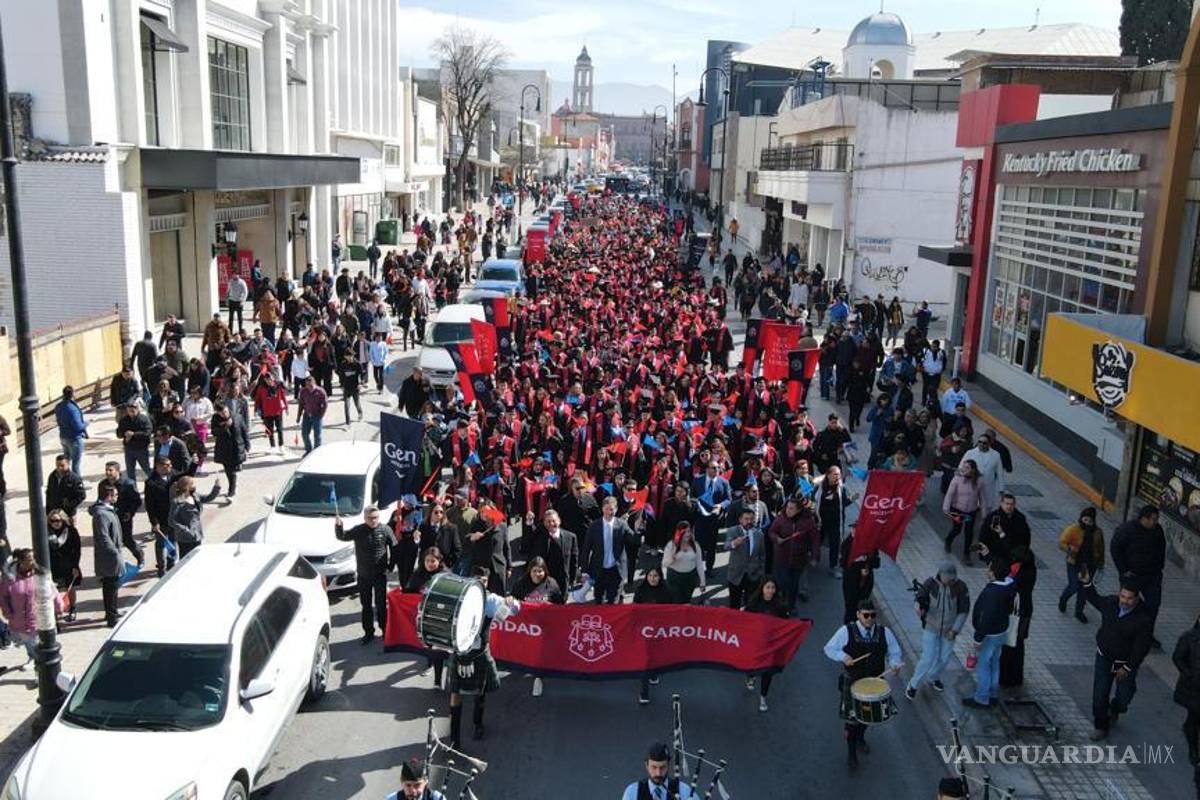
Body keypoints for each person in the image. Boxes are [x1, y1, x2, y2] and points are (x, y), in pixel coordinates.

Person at [823, 599, 903, 767]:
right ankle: (851, 753)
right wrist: (843, 657)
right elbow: (829, 648)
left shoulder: (884, 632)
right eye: (865, 615)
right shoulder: (846, 631)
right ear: (858, 615)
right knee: (852, 721)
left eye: (872, 615)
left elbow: (894, 652)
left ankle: (860, 738)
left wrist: (895, 664)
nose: (869, 619)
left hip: (875, 683)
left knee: (868, 717)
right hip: (853, 682)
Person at [446, 569, 521, 749]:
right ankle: (454, 739)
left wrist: (512, 602)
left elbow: (515, 610)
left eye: (484, 580)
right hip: (460, 651)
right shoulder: (459, 596)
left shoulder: (490, 599)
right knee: (456, 693)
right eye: (477, 579)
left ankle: (477, 724)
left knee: (480, 690)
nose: (481, 583)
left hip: (479, 651)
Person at [1078, 564, 1153, 740]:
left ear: (1137, 599)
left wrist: (1127, 667)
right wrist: (1087, 583)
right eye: (1122, 596)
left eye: (1129, 598)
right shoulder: (1111, 603)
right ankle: (1100, 725)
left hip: (1124, 662)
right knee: (1100, 693)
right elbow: (1095, 599)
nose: (1124, 601)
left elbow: (1141, 648)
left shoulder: (1143, 619)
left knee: (1124, 695)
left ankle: (1117, 708)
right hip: (1104, 656)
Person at [906, 561, 969, 699]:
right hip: (930, 627)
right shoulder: (930, 584)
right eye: (949, 577)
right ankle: (913, 684)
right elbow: (919, 598)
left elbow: (964, 611)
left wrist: (955, 630)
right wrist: (918, 607)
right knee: (927, 658)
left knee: (944, 658)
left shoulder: (961, 588)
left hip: (949, 629)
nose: (952, 580)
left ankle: (933, 676)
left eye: (953, 577)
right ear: (941, 574)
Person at [963, 559, 1017, 710]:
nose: (987, 570)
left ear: (994, 573)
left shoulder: (992, 592)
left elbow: (986, 616)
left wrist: (978, 637)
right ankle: (993, 694)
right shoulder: (1010, 586)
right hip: (1002, 631)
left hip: (989, 635)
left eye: (989, 568)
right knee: (995, 663)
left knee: (983, 665)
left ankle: (981, 698)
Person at [1110, 504, 1166, 649]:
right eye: (1153, 519)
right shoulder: (1127, 530)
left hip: (1152, 576)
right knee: (1126, 603)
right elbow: (1115, 548)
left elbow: (1161, 549)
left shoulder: (1157, 530)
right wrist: (1123, 570)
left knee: (1153, 605)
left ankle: (1146, 635)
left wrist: (1159, 568)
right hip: (1132, 576)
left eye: (1156, 519)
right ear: (1144, 519)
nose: (1155, 522)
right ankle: (1122, 632)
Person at [335, 504, 391, 645]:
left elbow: (395, 547)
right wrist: (338, 526)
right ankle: (368, 632)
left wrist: (392, 565)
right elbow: (342, 536)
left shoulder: (385, 529)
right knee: (366, 605)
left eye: (376, 517)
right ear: (365, 518)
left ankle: (385, 630)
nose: (373, 520)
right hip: (364, 575)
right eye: (370, 518)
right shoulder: (358, 530)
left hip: (380, 575)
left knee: (381, 605)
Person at [405, 547, 449, 689]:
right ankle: (429, 666)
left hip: (440, 618)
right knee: (428, 645)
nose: (430, 563)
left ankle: (438, 679)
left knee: (438, 649)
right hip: (424, 618)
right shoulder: (418, 574)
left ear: (439, 561)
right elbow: (409, 592)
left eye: (433, 561)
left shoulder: (446, 576)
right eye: (427, 561)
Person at [745, 577, 790, 711]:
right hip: (756, 644)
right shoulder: (753, 604)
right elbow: (744, 620)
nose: (770, 591)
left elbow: (786, 624)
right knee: (753, 665)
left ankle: (763, 697)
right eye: (768, 587)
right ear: (762, 589)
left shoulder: (780, 605)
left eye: (773, 588)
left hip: (771, 645)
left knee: (768, 672)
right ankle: (750, 676)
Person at [582, 495, 636, 604]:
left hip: (616, 570)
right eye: (606, 509)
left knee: (613, 602)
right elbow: (586, 549)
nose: (609, 512)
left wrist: (638, 530)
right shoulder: (594, 526)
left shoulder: (622, 525)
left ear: (616, 510)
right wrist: (584, 570)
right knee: (598, 600)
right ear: (602, 509)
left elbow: (634, 541)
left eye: (611, 509)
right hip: (599, 569)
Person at [90, 483, 130, 627]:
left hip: (113, 554)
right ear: (109, 496)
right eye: (115, 495)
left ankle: (112, 612)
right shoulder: (101, 514)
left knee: (113, 586)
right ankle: (111, 616)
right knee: (110, 587)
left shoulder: (108, 511)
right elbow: (104, 536)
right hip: (109, 558)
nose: (117, 497)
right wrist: (114, 552)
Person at [769, 496, 819, 607]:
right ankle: (779, 604)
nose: (788, 510)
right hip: (782, 558)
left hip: (799, 560)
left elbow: (815, 540)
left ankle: (791, 605)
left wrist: (815, 556)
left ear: (799, 510)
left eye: (791, 508)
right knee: (781, 583)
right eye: (787, 508)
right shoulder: (781, 519)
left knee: (794, 584)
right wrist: (776, 539)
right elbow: (772, 531)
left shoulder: (808, 522)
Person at [1058, 507, 1105, 623]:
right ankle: (1063, 599)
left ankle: (1079, 612)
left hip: (1089, 564)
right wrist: (1070, 548)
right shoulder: (1073, 529)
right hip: (1075, 562)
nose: (1087, 523)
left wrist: (1100, 564)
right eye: (1085, 519)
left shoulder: (1098, 532)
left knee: (1084, 589)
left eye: (1090, 520)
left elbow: (1101, 548)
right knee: (1074, 585)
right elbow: (1061, 542)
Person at [634, 566, 673, 704]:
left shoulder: (666, 592)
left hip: (659, 631)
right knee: (644, 660)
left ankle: (654, 673)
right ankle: (644, 693)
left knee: (654, 656)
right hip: (644, 631)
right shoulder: (640, 590)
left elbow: (671, 612)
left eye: (655, 576)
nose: (652, 578)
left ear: (660, 577)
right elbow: (634, 609)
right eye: (650, 575)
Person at [0, 549, 39, 670]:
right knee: (28, 642)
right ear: (21, 562)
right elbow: (3, 596)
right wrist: (7, 613)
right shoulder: (9, 577)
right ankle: (33, 659)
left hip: (36, 618)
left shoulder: (39, 572)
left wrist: (58, 605)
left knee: (37, 645)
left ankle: (40, 673)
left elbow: (49, 589)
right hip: (18, 619)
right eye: (29, 560)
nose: (32, 562)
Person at [167, 476, 220, 562]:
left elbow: (208, 498)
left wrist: (216, 487)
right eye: (193, 484)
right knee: (186, 560)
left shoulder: (195, 495)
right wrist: (185, 530)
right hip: (185, 538)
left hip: (197, 534)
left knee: (197, 557)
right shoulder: (177, 502)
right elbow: (171, 521)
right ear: (187, 487)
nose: (195, 486)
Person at [525, 508, 579, 593]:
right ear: (544, 523)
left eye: (554, 521)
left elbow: (574, 561)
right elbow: (527, 542)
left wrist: (572, 579)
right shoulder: (540, 536)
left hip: (562, 583)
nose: (551, 524)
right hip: (543, 582)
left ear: (559, 521)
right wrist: (529, 522)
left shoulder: (570, 537)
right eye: (548, 521)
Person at [815, 465, 855, 575]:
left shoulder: (842, 489)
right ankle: (813, 558)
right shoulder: (819, 487)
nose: (838, 477)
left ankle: (833, 566)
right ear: (828, 475)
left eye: (839, 475)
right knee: (816, 541)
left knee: (835, 544)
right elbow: (813, 501)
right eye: (835, 474)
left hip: (835, 522)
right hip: (821, 521)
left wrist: (851, 500)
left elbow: (844, 503)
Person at [620, 742, 696, 800]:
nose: (658, 773)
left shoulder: (684, 791)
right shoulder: (632, 792)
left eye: (662, 767)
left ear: (668, 764)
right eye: (654, 767)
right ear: (646, 765)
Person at [942, 460, 983, 564]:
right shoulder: (957, 479)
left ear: (973, 470)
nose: (964, 469)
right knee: (957, 529)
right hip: (958, 510)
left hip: (971, 511)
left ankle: (966, 554)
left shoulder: (979, 481)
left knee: (969, 532)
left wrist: (984, 512)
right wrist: (946, 507)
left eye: (967, 468)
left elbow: (983, 498)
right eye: (964, 467)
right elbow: (950, 494)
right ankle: (948, 540)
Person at [724, 507, 765, 609]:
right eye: (746, 519)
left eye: (751, 519)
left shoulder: (759, 534)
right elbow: (726, 546)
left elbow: (762, 555)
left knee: (751, 604)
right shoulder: (733, 531)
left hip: (753, 575)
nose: (749, 521)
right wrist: (734, 543)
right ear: (740, 520)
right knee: (734, 604)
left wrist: (760, 573)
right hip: (736, 575)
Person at [1173, 615, 1200, 766]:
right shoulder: (1189, 638)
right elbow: (1178, 657)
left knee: (1194, 718)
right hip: (1193, 688)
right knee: (1194, 717)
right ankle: (1193, 748)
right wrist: (1189, 675)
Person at [47, 510, 82, 623]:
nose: (55, 523)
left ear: (63, 520)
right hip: (53, 565)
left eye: (57, 520)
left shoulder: (71, 532)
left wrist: (75, 566)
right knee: (53, 590)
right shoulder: (46, 533)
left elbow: (77, 550)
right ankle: (55, 613)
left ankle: (72, 608)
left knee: (70, 588)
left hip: (68, 564)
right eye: (52, 521)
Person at [660, 521, 705, 604]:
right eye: (684, 532)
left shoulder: (695, 545)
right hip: (675, 578)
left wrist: (702, 581)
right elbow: (664, 564)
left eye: (689, 531)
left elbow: (699, 564)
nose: (687, 534)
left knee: (686, 602)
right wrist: (672, 558)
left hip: (690, 578)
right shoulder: (671, 545)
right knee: (678, 602)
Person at [210, 402, 249, 499]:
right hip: (224, 449)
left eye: (225, 412)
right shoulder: (215, 419)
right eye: (222, 413)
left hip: (236, 448)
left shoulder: (237, 417)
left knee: (232, 471)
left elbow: (244, 432)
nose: (224, 414)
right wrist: (225, 426)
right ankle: (232, 488)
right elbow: (214, 432)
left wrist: (247, 447)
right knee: (228, 470)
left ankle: (231, 491)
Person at [961, 433, 1003, 519]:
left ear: (989, 444)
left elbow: (1000, 473)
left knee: (986, 511)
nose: (981, 444)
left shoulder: (996, 455)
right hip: (973, 485)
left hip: (988, 487)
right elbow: (961, 468)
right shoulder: (970, 453)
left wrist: (1001, 489)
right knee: (971, 509)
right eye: (979, 442)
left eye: (984, 443)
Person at [55, 386, 88, 476]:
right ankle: (76, 484)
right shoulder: (72, 408)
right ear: (73, 394)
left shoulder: (59, 406)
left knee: (65, 462)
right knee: (75, 464)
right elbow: (78, 426)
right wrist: (86, 423)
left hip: (63, 436)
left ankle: (65, 481)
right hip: (74, 438)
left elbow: (58, 420)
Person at [116, 402, 153, 480]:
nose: (131, 413)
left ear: (138, 409)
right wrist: (125, 434)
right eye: (129, 411)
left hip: (141, 449)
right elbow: (119, 433)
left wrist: (134, 434)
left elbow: (148, 432)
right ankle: (133, 490)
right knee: (130, 472)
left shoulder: (143, 419)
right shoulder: (124, 420)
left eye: (133, 410)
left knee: (146, 469)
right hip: (129, 449)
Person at [45, 453, 86, 519]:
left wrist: (69, 506)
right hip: (53, 513)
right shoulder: (52, 476)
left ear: (68, 464)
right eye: (57, 465)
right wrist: (48, 510)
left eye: (62, 465)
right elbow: (49, 492)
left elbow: (81, 495)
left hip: (67, 514)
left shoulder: (74, 478)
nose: (59, 468)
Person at [297, 375, 328, 453]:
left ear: (314, 383)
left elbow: (325, 404)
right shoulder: (303, 391)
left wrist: (321, 415)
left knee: (317, 436)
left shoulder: (321, 391)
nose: (309, 387)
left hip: (317, 415)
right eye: (307, 385)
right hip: (307, 415)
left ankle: (317, 452)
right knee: (304, 434)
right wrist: (298, 416)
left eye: (310, 385)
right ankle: (308, 450)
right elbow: (301, 404)